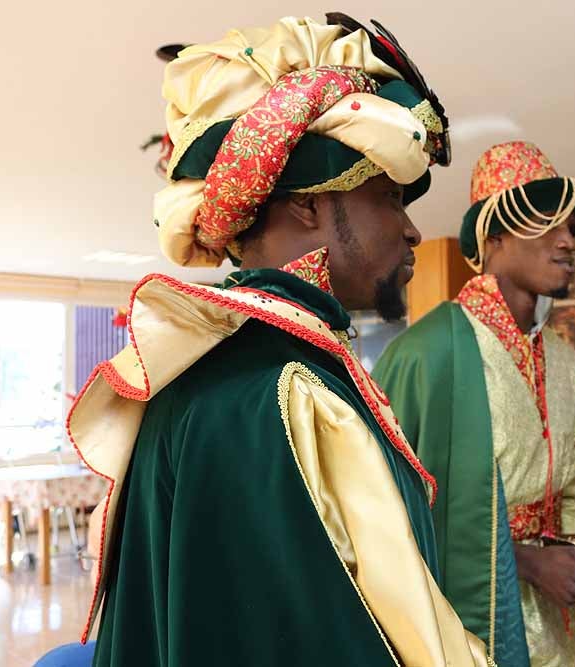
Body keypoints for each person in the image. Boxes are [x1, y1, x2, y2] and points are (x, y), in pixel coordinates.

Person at [66, 14, 490, 666]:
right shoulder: (287, 390)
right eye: (387, 197)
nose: (410, 231)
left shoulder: (226, 365)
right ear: (308, 204)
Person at [374, 141, 575, 667]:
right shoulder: (426, 353)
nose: (567, 241)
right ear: (495, 235)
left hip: (562, 628)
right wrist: (525, 564)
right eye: (546, 223)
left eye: (571, 227)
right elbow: (388, 519)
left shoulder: (561, 355)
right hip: (472, 631)